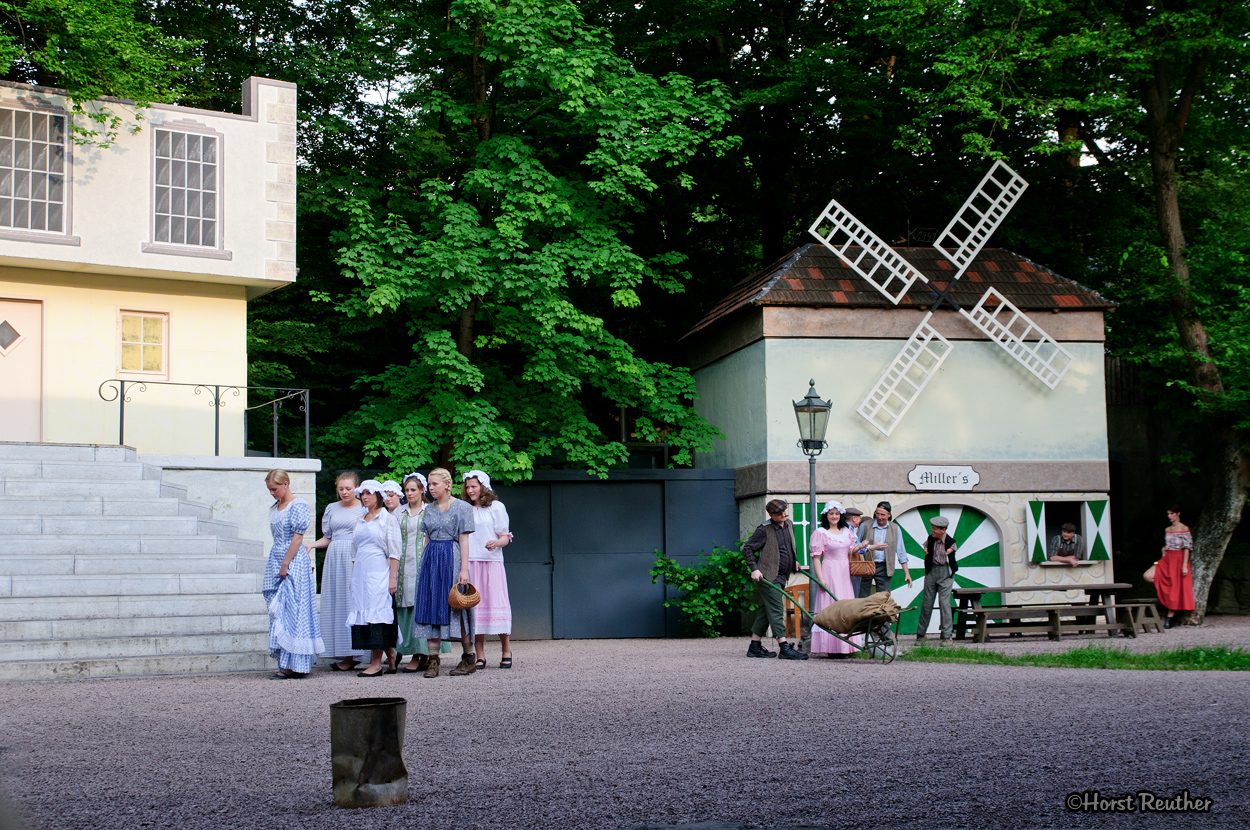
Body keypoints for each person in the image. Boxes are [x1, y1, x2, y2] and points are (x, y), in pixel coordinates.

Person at [411, 467, 477, 677]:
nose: (430, 488)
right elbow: (426, 538)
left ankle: (468, 657)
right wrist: (424, 563)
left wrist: (464, 569)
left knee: (456, 606)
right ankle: (433, 660)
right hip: (431, 559)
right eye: (429, 485)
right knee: (432, 606)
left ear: (447, 485)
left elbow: (464, 539)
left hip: (452, 557)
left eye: (434, 484)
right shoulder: (428, 509)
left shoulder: (462, 507)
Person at [261, 469, 324, 678]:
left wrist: (285, 564)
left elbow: (297, 538)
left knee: (294, 609)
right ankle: (285, 662)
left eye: (275, 489)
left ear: (286, 484)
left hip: (293, 560)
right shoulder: (276, 507)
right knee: (279, 610)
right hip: (276, 556)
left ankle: (296, 664)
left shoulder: (298, 506)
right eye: (270, 489)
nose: (272, 493)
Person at [304, 471, 367, 671]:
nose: (344, 492)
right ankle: (342, 650)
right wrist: (311, 545)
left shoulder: (364, 508)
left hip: (354, 555)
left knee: (352, 600)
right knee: (337, 601)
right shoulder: (331, 508)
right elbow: (328, 537)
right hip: (334, 558)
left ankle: (356, 652)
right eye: (341, 488)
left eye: (348, 488)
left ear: (356, 488)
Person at [394, 473, 451, 672]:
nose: (409, 493)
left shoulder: (430, 510)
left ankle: (424, 654)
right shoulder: (399, 512)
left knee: (423, 605)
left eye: (413, 489)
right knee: (407, 606)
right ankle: (414, 652)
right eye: (406, 490)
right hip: (403, 565)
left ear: (421, 491)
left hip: (425, 562)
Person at [346, 481, 402, 677]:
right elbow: (355, 551)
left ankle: (376, 663)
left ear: (378, 495)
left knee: (377, 614)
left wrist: (392, 579)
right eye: (362, 494)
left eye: (369, 493)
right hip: (362, 570)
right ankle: (391, 654)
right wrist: (354, 577)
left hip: (379, 570)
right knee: (364, 613)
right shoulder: (361, 519)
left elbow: (395, 552)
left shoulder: (387, 519)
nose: (365, 497)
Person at [741, 499, 807, 661]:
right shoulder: (764, 530)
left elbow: (791, 545)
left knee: (766, 610)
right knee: (777, 610)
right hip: (768, 577)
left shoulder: (788, 524)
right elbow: (747, 548)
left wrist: (795, 560)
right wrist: (754, 569)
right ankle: (784, 647)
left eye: (785, 511)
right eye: (779, 513)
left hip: (783, 575)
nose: (784, 514)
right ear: (771, 515)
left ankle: (755, 647)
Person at [463, 470, 514, 670]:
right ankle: (480, 654)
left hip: (491, 563)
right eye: (467, 487)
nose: (470, 490)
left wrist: (496, 543)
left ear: (483, 487)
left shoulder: (496, 507)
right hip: (471, 562)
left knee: (497, 604)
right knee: (475, 609)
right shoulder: (465, 509)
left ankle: (506, 650)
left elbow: (505, 536)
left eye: (473, 486)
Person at [809, 502, 860, 657]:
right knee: (831, 604)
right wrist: (821, 578)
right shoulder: (821, 532)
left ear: (841, 515)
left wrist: (865, 546)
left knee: (845, 605)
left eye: (837, 514)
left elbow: (850, 551)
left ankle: (846, 646)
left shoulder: (846, 531)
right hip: (829, 571)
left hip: (844, 572)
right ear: (826, 515)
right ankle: (831, 647)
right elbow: (816, 558)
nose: (834, 516)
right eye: (831, 513)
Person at [856, 501, 912, 599]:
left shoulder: (895, 529)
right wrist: (869, 547)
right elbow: (855, 545)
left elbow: (901, 551)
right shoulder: (865, 526)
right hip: (866, 565)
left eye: (883, 515)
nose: (879, 517)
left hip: (884, 567)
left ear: (889, 515)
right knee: (863, 596)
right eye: (877, 514)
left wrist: (907, 573)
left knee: (883, 598)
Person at [915, 515, 958, 643]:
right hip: (931, 571)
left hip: (945, 573)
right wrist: (926, 550)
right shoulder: (931, 539)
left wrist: (947, 552)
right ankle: (921, 635)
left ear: (943, 530)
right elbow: (926, 546)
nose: (932, 530)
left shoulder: (950, 541)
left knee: (944, 604)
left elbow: (953, 549)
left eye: (935, 528)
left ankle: (947, 636)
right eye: (932, 528)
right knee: (927, 603)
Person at [1156, 504, 1195, 628]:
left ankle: (1169, 618)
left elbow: (1186, 548)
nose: (1170, 516)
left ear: (1178, 514)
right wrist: (1163, 551)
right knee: (1149, 576)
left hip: (1178, 559)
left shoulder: (1184, 528)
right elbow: (1167, 545)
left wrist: (1184, 565)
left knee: (1175, 587)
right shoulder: (1167, 529)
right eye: (1168, 514)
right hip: (1167, 558)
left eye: (1172, 514)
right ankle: (1166, 603)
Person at [843, 506, 866, 596]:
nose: (860, 520)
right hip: (852, 564)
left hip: (851, 565)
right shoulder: (848, 529)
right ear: (854, 518)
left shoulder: (849, 529)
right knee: (853, 592)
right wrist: (867, 547)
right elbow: (855, 546)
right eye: (859, 518)